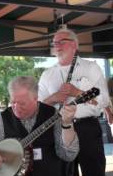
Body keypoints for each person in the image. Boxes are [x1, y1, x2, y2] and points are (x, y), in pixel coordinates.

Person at [0, 76, 79, 176]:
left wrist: (67, 123)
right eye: (13, 102)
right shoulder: (2, 120)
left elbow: (69, 154)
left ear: (36, 99)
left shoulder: (52, 114)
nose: (16, 108)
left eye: (22, 103)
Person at [38, 28, 110, 176]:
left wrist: (76, 92)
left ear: (74, 45)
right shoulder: (47, 74)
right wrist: (53, 98)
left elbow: (103, 100)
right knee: (65, 172)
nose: (57, 45)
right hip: (59, 129)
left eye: (61, 42)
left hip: (87, 128)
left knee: (94, 172)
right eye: (54, 43)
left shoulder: (91, 68)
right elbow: (38, 108)